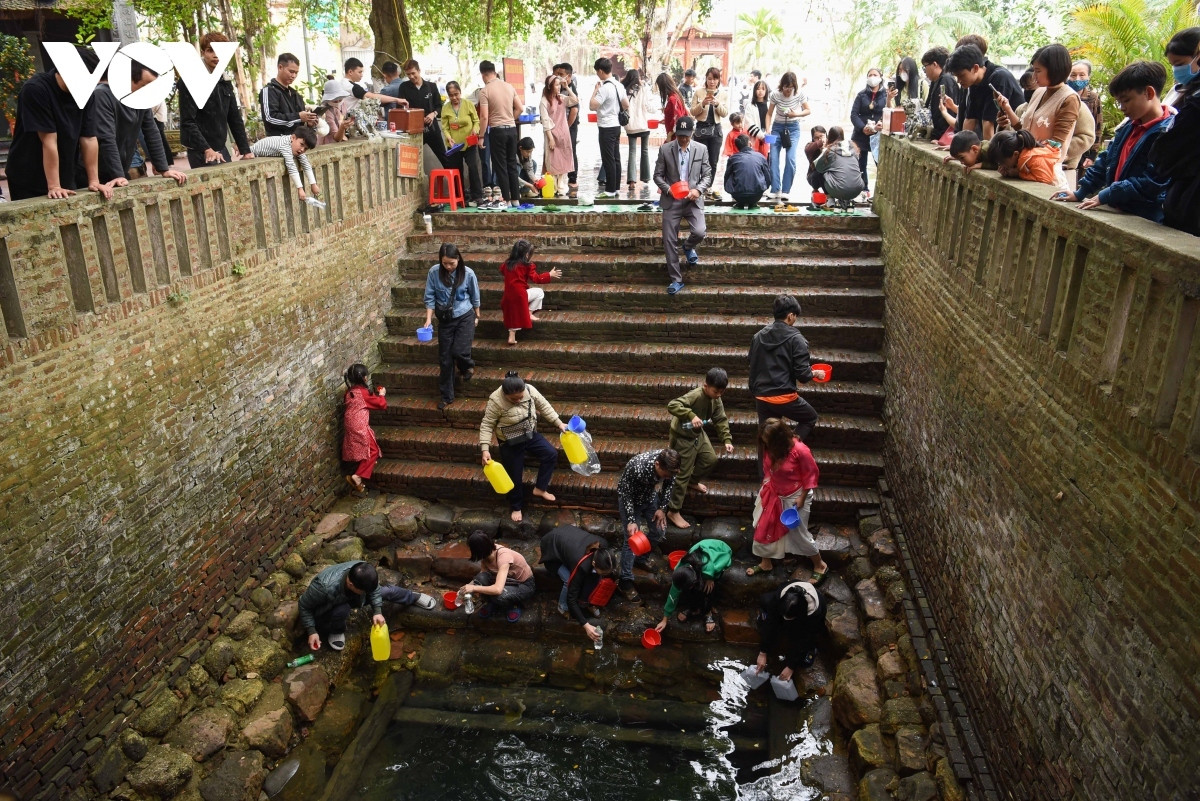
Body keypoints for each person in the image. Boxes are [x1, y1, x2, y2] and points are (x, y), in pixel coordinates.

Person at [1053, 61, 1172, 223]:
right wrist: (1081, 191)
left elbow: (1152, 182)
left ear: (1149, 93)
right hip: (1119, 211)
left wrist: (1106, 195)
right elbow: (1106, 160)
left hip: (1144, 216)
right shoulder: (1129, 126)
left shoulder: (1167, 134)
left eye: (1126, 100)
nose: (1122, 107)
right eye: (1119, 102)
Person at [7, 61, 110, 201]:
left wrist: (94, 181)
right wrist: (54, 186)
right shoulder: (36, 89)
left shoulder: (86, 93)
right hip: (29, 174)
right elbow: (49, 140)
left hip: (65, 170)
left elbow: (89, 138)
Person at [479, 370, 568, 522]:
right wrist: (485, 449)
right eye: (514, 399)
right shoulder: (495, 400)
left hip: (529, 433)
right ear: (505, 395)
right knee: (514, 474)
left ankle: (540, 488)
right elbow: (487, 424)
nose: (519, 400)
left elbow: (544, 406)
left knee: (550, 454)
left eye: (521, 397)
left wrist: (559, 423)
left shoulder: (529, 390)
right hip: (509, 441)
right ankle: (516, 506)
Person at [86, 61, 185, 187]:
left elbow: (151, 131)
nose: (148, 90)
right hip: (95, 172)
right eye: (145, 85)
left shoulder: (140, 99)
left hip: (121, 167)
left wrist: (163, 169)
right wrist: (118, 175)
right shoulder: (102, 95)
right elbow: (106, 138)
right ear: (129, 79)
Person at [749, 418, 827, 580]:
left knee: (798, 534)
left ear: (780, 439)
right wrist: (768, 483)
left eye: (769, 442)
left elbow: (811, 475)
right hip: (774, 491)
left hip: (796, 496)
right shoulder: (769, 446)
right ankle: (766, 563)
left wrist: (802, 498)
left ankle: (820, 565)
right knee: (763, 525)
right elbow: (768, 468)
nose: (766, 446)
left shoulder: (800, 450)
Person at [749, 294, 826, 453]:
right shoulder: (796, 339)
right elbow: (803, 375)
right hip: (783, 396)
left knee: (765, 435)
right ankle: (787, 450)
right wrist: (816, 372)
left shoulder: (758, 336)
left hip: (761, 396)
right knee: (809, 418)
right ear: (790, 316)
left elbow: (752, 361)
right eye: (795, 316)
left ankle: (764, 476)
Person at [994, 45, 1079, 176]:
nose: (1034, 76)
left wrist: (1020, 170)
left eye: (1038, 71)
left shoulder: (1069, 99)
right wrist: (1008, 110)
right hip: (1023, 165)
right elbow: (1024, 131)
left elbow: (1056, 146)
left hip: (1043, 171)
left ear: (1054, 70)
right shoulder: (1039, 92)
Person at [666, 367, 733, 529]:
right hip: (683, 437)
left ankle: (693, 481)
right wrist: (690, 415)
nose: (718, 396)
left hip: (697, 434)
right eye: (716, 391)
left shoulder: (716, 399)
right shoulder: (696, 395)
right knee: (682, 474)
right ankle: (673, 511)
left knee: (710, 459)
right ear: (705, 386)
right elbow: (672, 405)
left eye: (721, 392)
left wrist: (727, 440)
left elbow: (720, 419)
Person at [653, 117, 713, 296]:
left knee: (700, 231)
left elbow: (707, 175)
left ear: (692, 133)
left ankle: (688, 247)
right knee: (669, 240)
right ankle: (676, 279)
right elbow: (657, 175)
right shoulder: (665, 149)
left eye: (686, 136)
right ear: (675, 133)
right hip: (672, 200)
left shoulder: (701, 149)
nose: (683, 139)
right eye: (680, 136)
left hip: (693, 199)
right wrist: (668, 189)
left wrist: (699, 190)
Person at [178, 32, 253, 168]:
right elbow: (187, 121)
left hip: (221, 146)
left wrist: (245, 150)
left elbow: (234, 117)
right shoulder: (191, 79)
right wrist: (207, 149)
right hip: (200, 150)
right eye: (210, 50)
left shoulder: (224, 79)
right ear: (203, 52)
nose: (216, 55)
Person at [615, 448, 680, 602]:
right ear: (657, 464)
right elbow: (626, 493)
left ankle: (641, 558)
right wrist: (631, 519)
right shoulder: (637, 467)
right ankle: (625, 582)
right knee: (630, 541)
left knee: (659, 531)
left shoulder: (671, 466)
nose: (669, 477)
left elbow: (669, 485)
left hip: (649, 497)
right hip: (630, 501)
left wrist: (662, 508)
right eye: (665, 475)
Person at [423, 243, 480, 410]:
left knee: (459, 351)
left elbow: (475, 296)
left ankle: (466, 365)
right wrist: (428, 319)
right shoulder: (434, 272)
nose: (448, 267)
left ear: (458, 259)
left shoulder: (468, 273)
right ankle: (447, 396)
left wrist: (477, 316)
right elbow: (430, 297)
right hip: (446, 319)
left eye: (451, 263)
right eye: (445, 263)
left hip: (465, 315)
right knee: (445, 359)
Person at [1155, 28, 1200, 235]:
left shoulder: (1195, 104)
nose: (1176, 71)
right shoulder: (1184, 94)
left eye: (1180, 64)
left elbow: (1171, 149)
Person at [540, 525, 618, 642]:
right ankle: (562, 607)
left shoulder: (603, 548)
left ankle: (587, 603)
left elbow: (599, 574)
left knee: (594, 577)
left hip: (569, 540)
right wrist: (585, 625)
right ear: (594, 563)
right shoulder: (581, 565)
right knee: (568, 580)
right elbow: (571, 598)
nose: (605, 575)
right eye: (603, 572)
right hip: (551, 550)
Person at [299, 561, 386, 651]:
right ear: (351, 585)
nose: (365, 593)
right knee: (342, 610)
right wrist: (312, 631)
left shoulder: (362, 569)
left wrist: (377, 612)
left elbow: (375, 590)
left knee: (388, 592)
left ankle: (402, 598)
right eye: (363, 591)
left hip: (347, 596)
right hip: (325, 608)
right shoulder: (322, 588)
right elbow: (304, 605)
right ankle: (336, 631)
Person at [945, 44, 1024, 142]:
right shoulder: (973, 82)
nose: (958, 81)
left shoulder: (999, 77)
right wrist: (960, 149)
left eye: (961, 76)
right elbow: (969, 120)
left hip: (1015, 139)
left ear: (975, 68)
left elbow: (988, 123)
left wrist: (987, 154)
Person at [654, 538, 732, 634]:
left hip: (721, 550)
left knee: (708, 587)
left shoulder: (709, 569)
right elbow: (673, 594)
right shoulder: (679, 571)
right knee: (693, 589)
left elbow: (727, 559)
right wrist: (664, 619)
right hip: (702, 554)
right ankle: (694, 608)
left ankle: (707, 612)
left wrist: (711, 577)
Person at [755, 580, 827, 679]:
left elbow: (803, 639)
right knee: (765, 607)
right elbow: (771, 622)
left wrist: (790, 667)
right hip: (785, 610)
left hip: (804, 622)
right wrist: (763, 652)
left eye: (788, 618)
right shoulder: (781, 594)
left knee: (804, 658)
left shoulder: (814, 613)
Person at [458, 532, 536, 621]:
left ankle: (513, 605)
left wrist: (473, 588)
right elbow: (483, 573)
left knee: (500, 596)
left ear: (478, 550)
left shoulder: (504, 557)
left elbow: (498, 590)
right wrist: (466, 587)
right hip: (507, 581)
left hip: (523, 585)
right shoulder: (486, 553)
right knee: (480, 578)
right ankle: (492, 602)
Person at [478, 60, 524, 209]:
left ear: (483, 74)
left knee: (500, 166)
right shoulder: (509, 86)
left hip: (497, 131)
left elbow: (484, 117)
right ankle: (516, 199)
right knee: (512, 163)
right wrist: (511, 118)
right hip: (512, 130)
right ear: (494, 72)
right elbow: (520, 108)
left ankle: (508, 200)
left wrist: (481, 136)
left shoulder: (485, 91)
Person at [500, 239, 562, 344]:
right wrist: (549, 274)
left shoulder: (507, 264)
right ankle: (529, 312)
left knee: (512, 314)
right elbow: (537, 279)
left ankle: (512, 336)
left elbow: (503, 271)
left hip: (508, 295)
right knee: (539, 293)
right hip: (520, 294)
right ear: (527, 254)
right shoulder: (527, 266)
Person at [341, 363, 386, 493]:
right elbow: (381, 404)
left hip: (349, 423)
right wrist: (382, 394)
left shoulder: (349, 392)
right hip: (359, 424)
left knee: (362, 445)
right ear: (365, 378)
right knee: (373, 450)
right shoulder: (363, 393)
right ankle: (357, 476)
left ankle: (367, 465)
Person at [766, 72, 811, 202]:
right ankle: (775, 189)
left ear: (794, 86)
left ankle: (786, 190)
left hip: (793, 128)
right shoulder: (775, 94)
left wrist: (796, 114)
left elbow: (808, 110)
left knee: (790, 158)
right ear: (782, 85)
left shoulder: (799, 94)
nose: (788, 91)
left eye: (790, 88)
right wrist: (768, 128)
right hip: (776, 128)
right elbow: (769, 114)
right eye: (786, 87)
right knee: (773, 158)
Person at [590, 57, 629, 198]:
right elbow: (626, 104)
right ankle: (616, 187)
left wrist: (595, 91)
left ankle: (610, 189)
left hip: (606, 126)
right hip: (616, 126)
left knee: (608, 159)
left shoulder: (605, 88)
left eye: (597, 72)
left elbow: (592, 105)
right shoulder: (619, 85)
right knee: (616, 157)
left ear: (600, 71)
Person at [442, 80, 484, 206]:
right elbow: (445, 127)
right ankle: (460, 197)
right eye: (451, 95)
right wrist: (449, 137)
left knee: (473, 167)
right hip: (454, 145)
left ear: (460, 92)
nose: (454, 97)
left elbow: (476, 121)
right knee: (456, 171)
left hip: (469, 142)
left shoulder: (468, 104)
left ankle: (477, 196)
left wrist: (474, 130)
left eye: (456, 94)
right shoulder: (445, 108)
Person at [250, 127, 321, 200]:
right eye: (301, 144)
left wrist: (313, 184)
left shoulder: (296, 147)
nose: (302, 149)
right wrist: (300, 189)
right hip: (252, 152)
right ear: (293, 138)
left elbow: (306, 164)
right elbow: (291, 166)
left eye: (306, 148)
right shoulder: (285, 145)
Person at [398, 59, 446, 165]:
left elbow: (439, 106)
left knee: (445, 158)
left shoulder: (431, 86)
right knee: (409, 161)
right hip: (414, 130)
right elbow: (400, 110)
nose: (411, 76)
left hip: (432, 129)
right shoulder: (404, 87)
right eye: (408, 74)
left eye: (413, 73)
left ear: (419, 71)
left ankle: (455, 180)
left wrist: (433, 114)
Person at [690, 67, 729, 197]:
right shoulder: (698, 92)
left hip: (716, 130)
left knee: (713, 160)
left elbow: (725, 114)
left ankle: (708, 186)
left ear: (718, 80)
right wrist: (703, 104)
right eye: (710, 78)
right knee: (700, 160)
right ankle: (698, 185)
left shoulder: (723, 94)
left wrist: (717, 104)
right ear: (706, 79)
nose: (712, 82)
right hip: (701, 129)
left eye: (715, 79)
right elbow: (692, 112)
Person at [849, 68, 887, 199]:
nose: (872, 77)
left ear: (881, 77)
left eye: (875, 75)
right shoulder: (861, 95)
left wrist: (881, 124)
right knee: (861, 164)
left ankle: (881, 191)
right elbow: (854, 115)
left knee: (880, 163)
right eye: (870, 75)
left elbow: (889, 112)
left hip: (878, 134)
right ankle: (863, 189)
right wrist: (862, 127)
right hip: (861, 135)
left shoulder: (886, 96)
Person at [261, 53, 316, 136]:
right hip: (278, 144)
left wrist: (309, 123)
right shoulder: (269, 91)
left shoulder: (296, 95)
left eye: (296, 73)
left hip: (297, 145)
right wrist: (298, 117)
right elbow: (270, 118)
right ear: (280, 67)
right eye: (291, 71)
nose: (293, 76)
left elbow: (299, 124)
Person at [989, 129, 1065, 187]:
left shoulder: (1035, 159)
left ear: (1015, 154)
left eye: (1002, 162)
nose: (1001, 165)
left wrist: (1018, 174)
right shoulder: (1019, 157)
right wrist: (1008, 172)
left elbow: (1045, 179)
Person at [540, 74, 576, 197]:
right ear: (550, 87)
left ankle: (561, 186)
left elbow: (575, 100)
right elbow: (545, 121)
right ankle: (553, 187)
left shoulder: (561, 98)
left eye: (559, 85)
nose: (559, 87)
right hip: (552, 134)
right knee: (552, 161)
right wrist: (550, 139)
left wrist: (568, 87)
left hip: (564, 133)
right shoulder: (544, 101)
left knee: (564, 160)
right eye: (556, 85)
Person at [622, 69, 656, 194]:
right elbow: (649, 107)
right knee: (645, 151)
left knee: (632, 151)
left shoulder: (625, 89)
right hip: (643, 125)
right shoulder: (644, 89)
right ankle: (645, 178)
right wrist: (657, 108)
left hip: (630, 126)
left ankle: (631, 181)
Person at [813, 127, 866, 205]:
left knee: (820, 172)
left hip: (837, 190)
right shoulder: (853, 148)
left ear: (829, 137)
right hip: (857, 190)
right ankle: (847, 200)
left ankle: (830, 200)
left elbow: (818, 167)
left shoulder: (830, 150)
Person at [553, 63, 582, 197]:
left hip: (569, 126)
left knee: (570, 150)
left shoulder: (571, 89)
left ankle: (572, 178)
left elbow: (574, 110)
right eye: (556, 74)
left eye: (561, 74)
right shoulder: (559, 89)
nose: (558, 77)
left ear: (568, 76)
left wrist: (567, 127)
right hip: (560, 126)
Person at [921, 47, 960, 144]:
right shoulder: (936, 81)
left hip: (943, 137)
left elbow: (948, 111)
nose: (925, 71)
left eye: (925, 66)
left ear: (935, 64)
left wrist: (941, 138)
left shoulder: (946, 80)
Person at [1069, 60, 1103, 169]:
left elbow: (1097, 127)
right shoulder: (1063, 95)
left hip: (1084, 151)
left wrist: (1092, 155)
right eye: (1073, 75)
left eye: (1082, 75)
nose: (1077, 79)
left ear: (1089, 76)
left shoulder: (1093, 98)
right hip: (1066, 149)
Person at [724, 134, 771, 209]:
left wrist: (731, 190)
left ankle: (740, 203)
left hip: (738, 195)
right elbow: (768, 179)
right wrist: (763, 189)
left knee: (731, 174)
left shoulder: (733, 158)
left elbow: (726, 178)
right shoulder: (760, 157)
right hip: (757, 195)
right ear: (749, 143)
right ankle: (753, 203)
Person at [1163, 26, 1200, 105]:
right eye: (1173, 65)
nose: (1176, 70)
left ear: (1198, 57)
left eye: (1179, 64)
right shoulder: (1176, 90)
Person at [317, 80, 351, 145]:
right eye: (335, 100)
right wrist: (342, 128)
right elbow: (336, 138)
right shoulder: (326, 111)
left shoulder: (343, 104)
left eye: (340, 99)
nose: (338, 101)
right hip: (329, 144)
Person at [656, 73, 689, 140]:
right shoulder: (676, 96)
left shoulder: (673, 99)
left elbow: (678, 119)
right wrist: (666, 120)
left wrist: (670, 134)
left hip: (675, 137)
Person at [804, 125, 827, 192]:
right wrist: (820, 143)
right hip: (814, 177)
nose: (820, 139)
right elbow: (808, 149)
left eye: (821, 136)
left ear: (826, 134)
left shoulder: (831, 144)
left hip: (830, 175)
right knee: (820, 172)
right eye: (816, 138)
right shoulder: (810, 146)